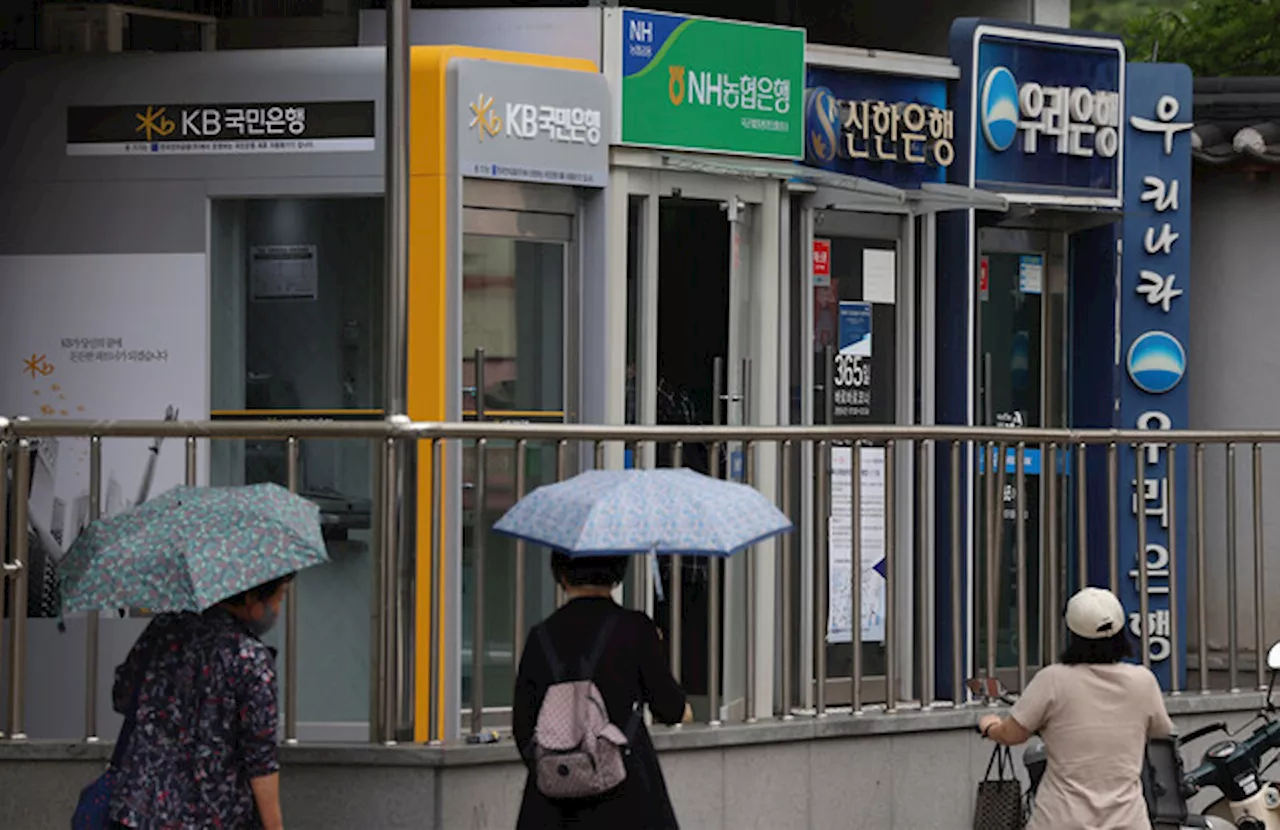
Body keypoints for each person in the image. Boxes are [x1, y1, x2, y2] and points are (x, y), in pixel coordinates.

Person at [513, 552, 691, 830]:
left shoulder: (541, 636)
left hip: (553, 807)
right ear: (618, 572)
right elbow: (670, 708)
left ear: (561, 574)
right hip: (628, 800)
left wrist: (565, 767)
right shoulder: (636, 629)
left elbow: (522, 727)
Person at [977, 587, 1175, 830]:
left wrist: (990, 727)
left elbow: (1012, 734)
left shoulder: (1052, 679)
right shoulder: (1143, 681)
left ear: (1071, 633)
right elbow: (1161, 731)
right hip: (1127, 821)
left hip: (1061, 820)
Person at [107, 575, 292, 830]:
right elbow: (260, 761)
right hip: (214, 817)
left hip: (139, 811)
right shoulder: (250, 659)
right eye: (279, 597)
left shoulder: (163, 629)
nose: (278, 609)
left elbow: (123, 696)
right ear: (251, 598)